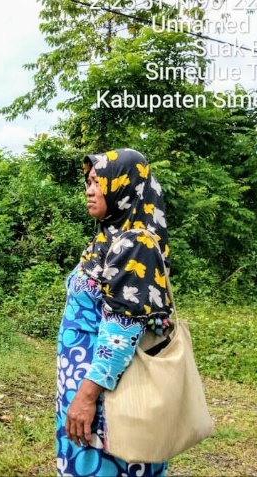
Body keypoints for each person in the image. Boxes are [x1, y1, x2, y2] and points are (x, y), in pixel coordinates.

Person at [56, 148, 173, 476]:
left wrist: (86, 397)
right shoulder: (107, 238)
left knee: (108, 467)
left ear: (123, 186)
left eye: (99, 182)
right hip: (85, 385)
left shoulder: (135, 244)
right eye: (89, 182)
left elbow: (122, 329)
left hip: (108, 393)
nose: (90, 190)